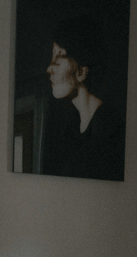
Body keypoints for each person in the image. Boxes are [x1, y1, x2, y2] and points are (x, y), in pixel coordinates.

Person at [43, 14, 125, 181]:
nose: (49, 69)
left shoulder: (111, 130)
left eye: (58, 58)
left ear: (81, 72)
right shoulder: (72, 128)